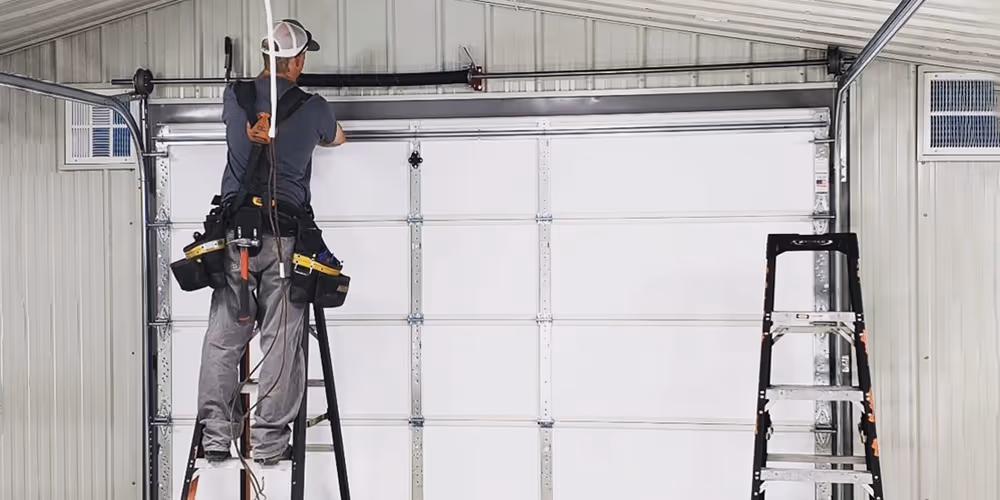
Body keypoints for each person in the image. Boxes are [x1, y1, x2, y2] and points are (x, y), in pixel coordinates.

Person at [195, 18, 347, 466]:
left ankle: (216, 438)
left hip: (235, 241)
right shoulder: (314, 107)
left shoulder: (235, 96)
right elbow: (337, 138)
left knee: (223, 341)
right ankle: (268, 443)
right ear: (297, 60)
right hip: (282, 240)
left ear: (266, 58)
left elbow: (242, 129)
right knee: (281, 344)